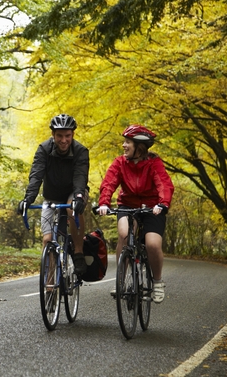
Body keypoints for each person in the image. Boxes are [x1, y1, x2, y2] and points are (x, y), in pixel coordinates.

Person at [97, 124, 174, 303]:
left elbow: (164, 184)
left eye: (127, 142)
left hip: (152, 207)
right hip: (127, 205)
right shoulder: (120, 163)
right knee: (124, 234)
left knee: (153, 244)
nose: (124, 146)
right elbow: (109, 183)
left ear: (139, 147)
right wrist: (104, 203)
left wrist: (163, 204)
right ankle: (121, 280)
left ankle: (157, 282)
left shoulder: (154, 163)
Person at [17, 114, 90, 275]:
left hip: (74, 192)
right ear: (53, 135)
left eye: (67, 136)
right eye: (59, 136)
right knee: (47, 239)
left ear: (72, 135)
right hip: (51, 196)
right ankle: (50, 284)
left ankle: (78, 252)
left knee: (73, 208)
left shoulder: (80, 151)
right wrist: (28, 199)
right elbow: (36, 175)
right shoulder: (44, 149)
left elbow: (80, 177)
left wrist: (78, 198)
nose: (63, 140)